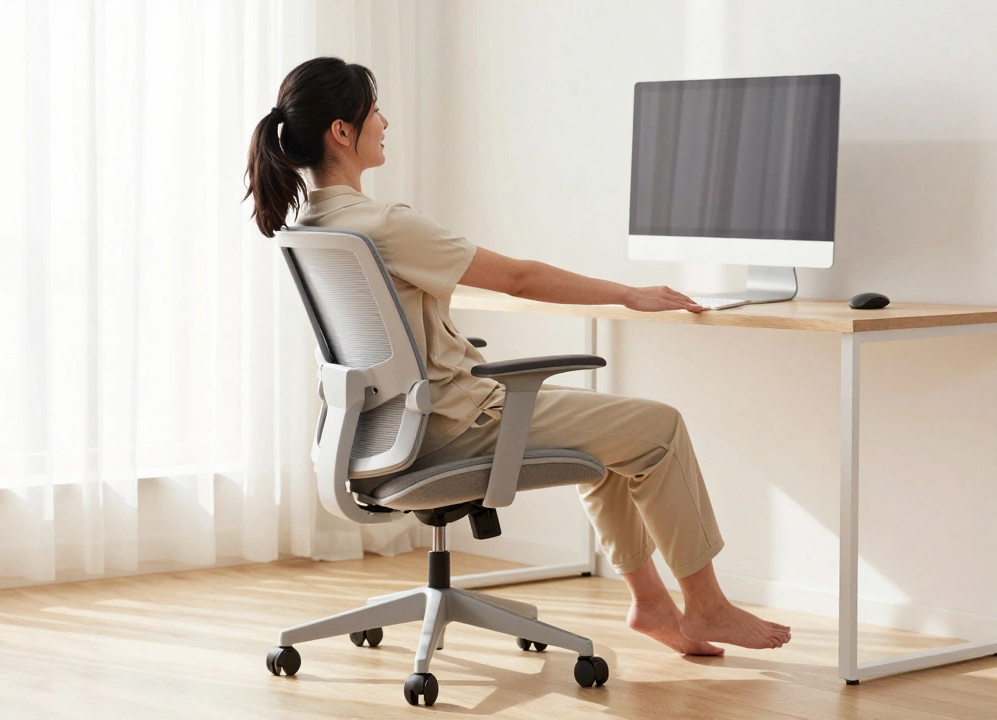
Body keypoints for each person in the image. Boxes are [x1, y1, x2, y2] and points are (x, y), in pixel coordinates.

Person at [244, 57, 791, 654]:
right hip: (451, 424)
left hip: (386, 430)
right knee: (659, 427)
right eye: (373, 111)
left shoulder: (314, 224)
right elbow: (519, 277)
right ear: (342, 132)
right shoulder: (383, 223)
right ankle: (706, 606)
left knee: (610, 435)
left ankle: (652, 605)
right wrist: (632, 295)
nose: (384, 120)